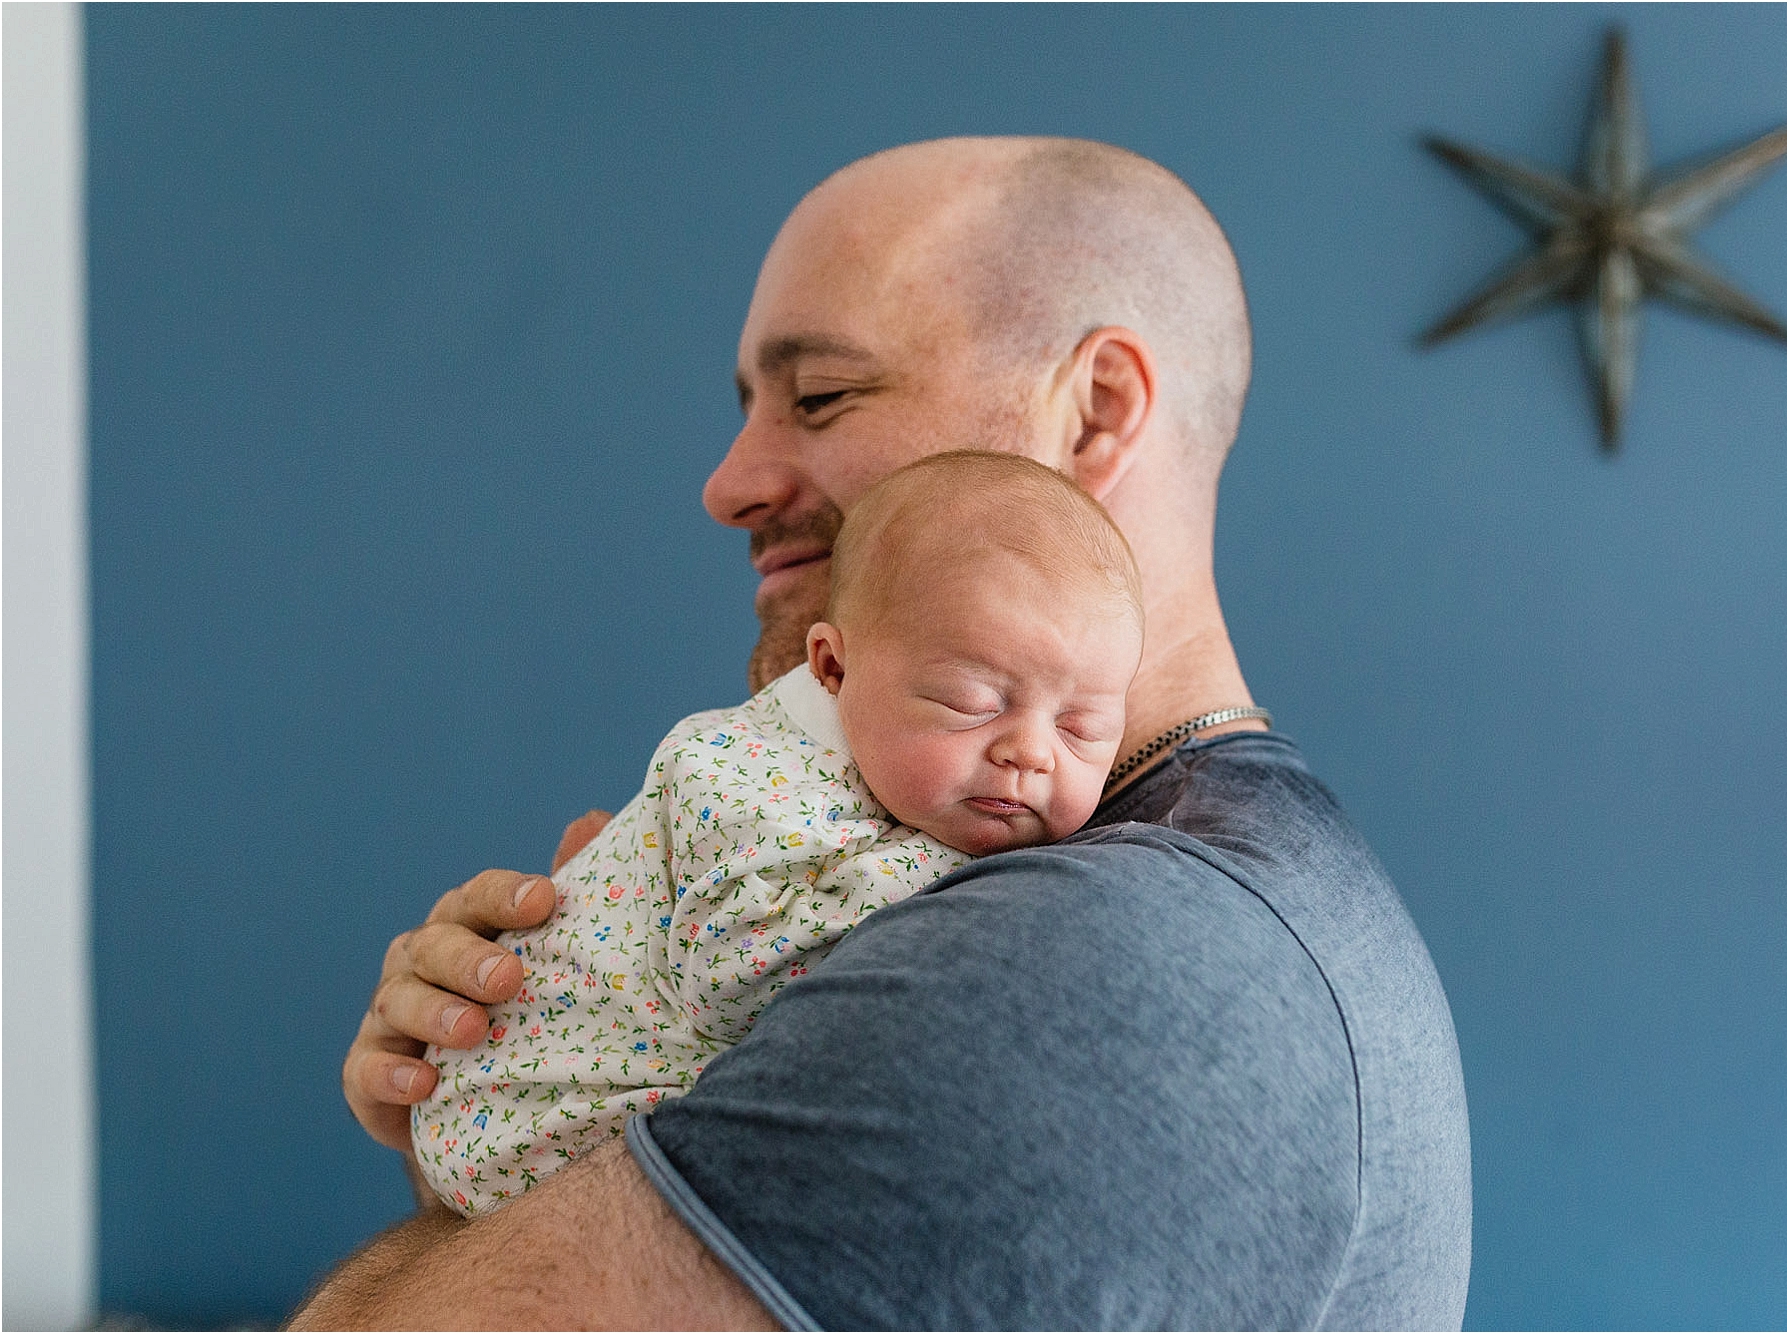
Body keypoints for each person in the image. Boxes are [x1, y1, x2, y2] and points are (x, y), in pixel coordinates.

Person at [298, 135, 1471, 1330]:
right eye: (748, 409)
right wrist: (523, 1065)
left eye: (819, 395)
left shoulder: (1090, 953)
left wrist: (466, 1234)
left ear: (1094, 411)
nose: (726, 483)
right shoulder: (1200, 892)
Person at [414, 451, 1145, 1217]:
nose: (1031, 754)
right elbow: (731, 981)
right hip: (518, 1115)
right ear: (833, 667)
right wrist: (945, 866)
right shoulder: (745, 775)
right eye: (970, 702)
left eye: (1082, 728)